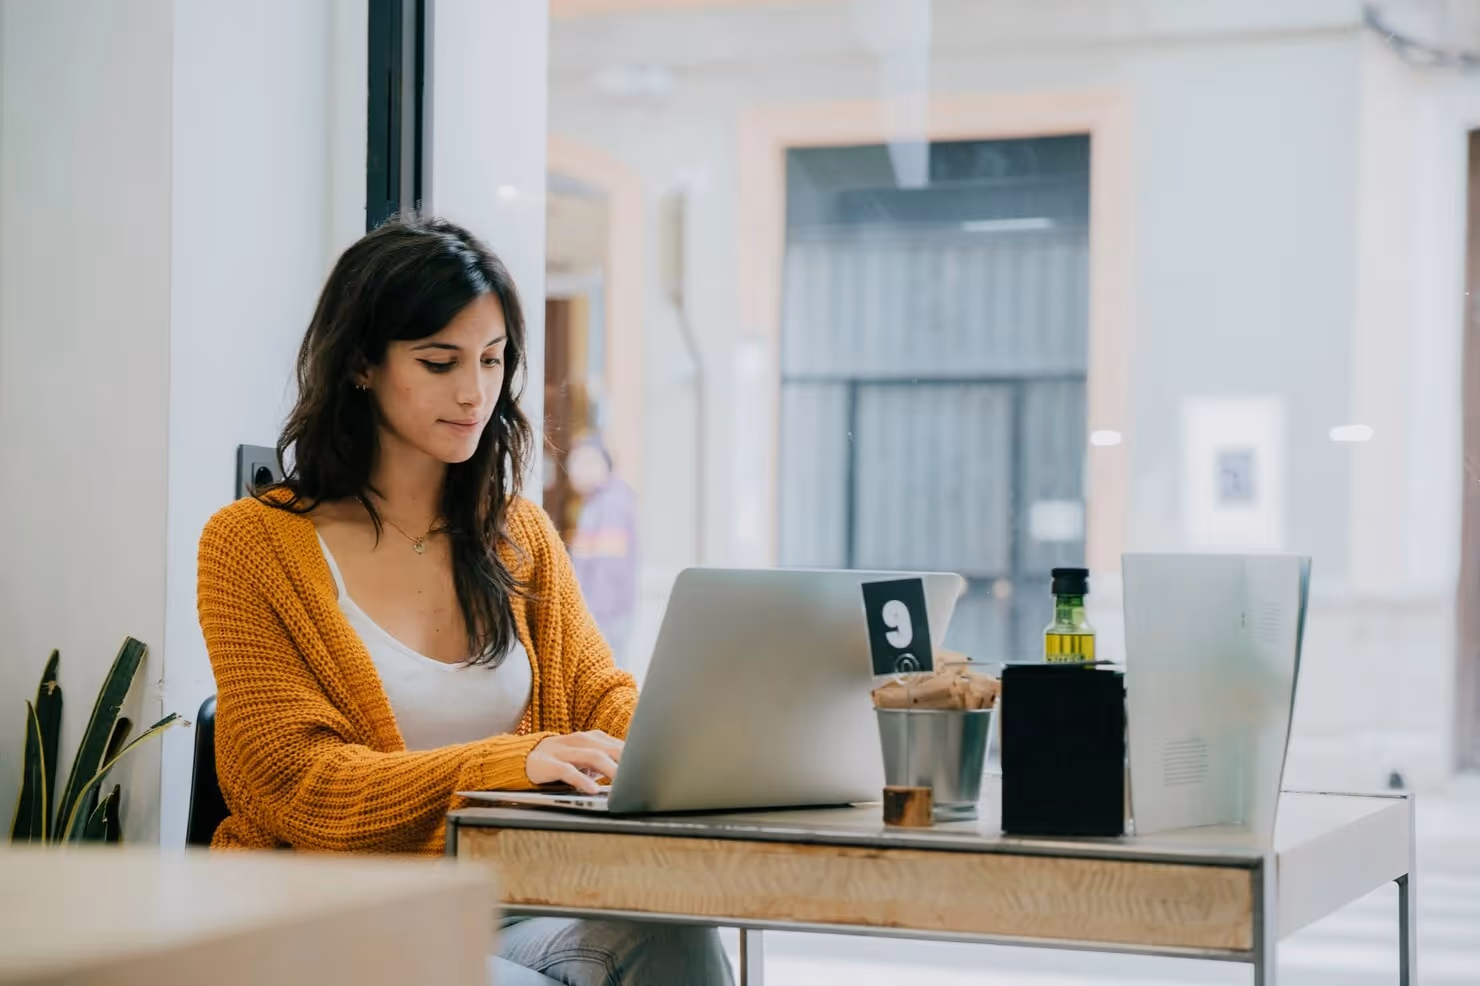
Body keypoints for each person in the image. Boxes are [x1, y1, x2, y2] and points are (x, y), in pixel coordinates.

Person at [196, 214, 733, 986]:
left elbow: (597, 698)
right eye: (440, 362)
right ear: (361, 366)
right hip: (326, 917)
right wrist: (519, 761)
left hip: (510, 902)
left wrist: (694, 752)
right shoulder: (251, 545)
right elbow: (298, 784)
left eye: (491, 359)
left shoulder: (519, 533)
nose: (474, 391)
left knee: (676, 935)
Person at [565, 434, 640, 665]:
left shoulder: (610, 505)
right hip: (604, 615)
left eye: (582, 462)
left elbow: (608, 571)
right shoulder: (597, 502)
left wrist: (589, 623)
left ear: (601, 464)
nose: (573, 470)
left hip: (605, 617)